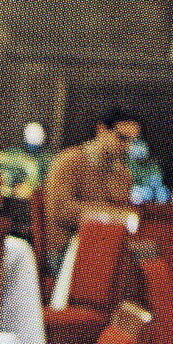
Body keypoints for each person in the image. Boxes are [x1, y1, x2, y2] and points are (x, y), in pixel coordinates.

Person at [43, 107, 141, 253]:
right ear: (102, 130)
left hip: (104, 247)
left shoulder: (122, 172)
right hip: (66, 248)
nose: (127, 147)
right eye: (122, 138)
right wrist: (112, 215)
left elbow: (124, 210)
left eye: (132, 141)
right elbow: (60, 210)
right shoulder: (69, 161)